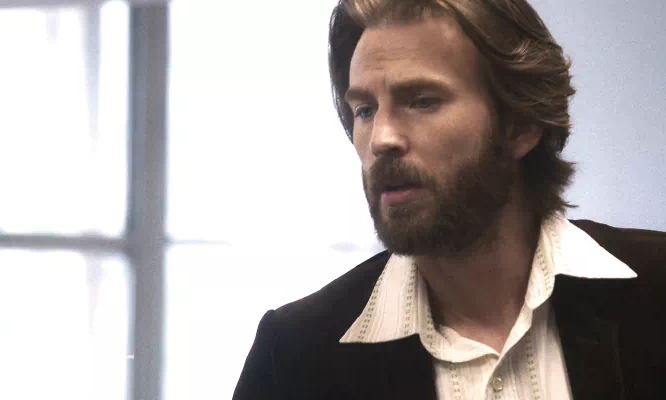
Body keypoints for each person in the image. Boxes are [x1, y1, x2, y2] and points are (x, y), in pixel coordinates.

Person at [233, 0, 666, 398]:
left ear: (520, 124)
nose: (381, 139)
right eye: (364, 110)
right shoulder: (296, 357)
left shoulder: (655, 290)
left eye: (422, 101)